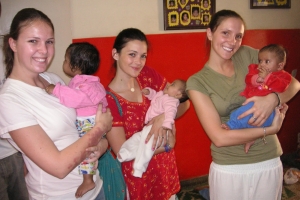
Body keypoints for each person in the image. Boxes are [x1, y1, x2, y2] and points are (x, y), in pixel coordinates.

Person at [186, 9, 300, 200]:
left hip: (268, 160)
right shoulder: (197, 82)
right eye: (225, 33)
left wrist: (273, 99)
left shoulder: (248, 55)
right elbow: (219, 137)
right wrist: (270, 130)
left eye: (238, 36)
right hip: (230, 167)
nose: (233, 42)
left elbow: (294, 84)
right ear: (209, 33)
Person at [0, 8, 112, 200]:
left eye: (49, 42)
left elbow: (81, 129)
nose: (44, 50)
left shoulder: (51, 79)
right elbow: (59, 167)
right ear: (13, 44)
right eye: (33, 41)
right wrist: (100, 129)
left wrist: (101, 145)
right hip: (60, 195)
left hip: (95, 190)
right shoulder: (9, 99)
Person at [106, 28, 190, 200]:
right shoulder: (109, 100)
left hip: (164, 169)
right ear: (115, 54)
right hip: (139, 176)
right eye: (132, 54)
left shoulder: (148, 76)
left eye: (143, 56)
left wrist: (162, 118)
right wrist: (167, 146)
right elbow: (123, 151)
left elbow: (184, 103)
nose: (138, 62)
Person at [45, 42, 108, 198]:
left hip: (88, 121)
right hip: (92, 120)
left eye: (66, 60)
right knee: (89, 150)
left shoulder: (83, 84)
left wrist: (56, 89)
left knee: (87, 151)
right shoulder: (91, 82)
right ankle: (88, 178)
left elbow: (74, 99)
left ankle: (88, 179)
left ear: (75, 67)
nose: (63, 63)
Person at [117, 79, 188, 178]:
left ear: (178, 95)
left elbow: (170, 114)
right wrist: (149, 92)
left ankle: (139, 168)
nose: (169, 84)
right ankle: (125, 153)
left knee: (147, 147)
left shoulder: (172, 101)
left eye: (173, 85)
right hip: (149, 127)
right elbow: (155, 96)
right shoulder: (164, 95)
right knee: (136, 139)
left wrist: (166, 125)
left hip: (160, 129)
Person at [224, 44, 292, 130]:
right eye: (260, 61)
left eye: (267, 61)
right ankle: (249, 133)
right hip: (254, 105)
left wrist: (267, 78)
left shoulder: (284, 76)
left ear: (280, 66)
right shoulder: (256, 70)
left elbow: (281, 87)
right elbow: (248, 79)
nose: (261, 65)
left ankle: (231, 126)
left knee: (242, 114)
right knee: (238, 112)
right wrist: (256, 79)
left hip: (270, 111)